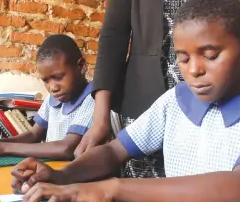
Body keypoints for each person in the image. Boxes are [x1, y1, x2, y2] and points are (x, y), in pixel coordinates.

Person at [11, 0, 240, 202]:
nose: (194, 70)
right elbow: (113, 152)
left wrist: (113, 189)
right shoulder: (174, 100)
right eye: (183, 58)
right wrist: (61, 176)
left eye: (211, 55)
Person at [75, 0, 189, 178]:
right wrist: (100, 120)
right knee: (140, 191)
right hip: (143, 102)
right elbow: (114, 35)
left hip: (205, 99)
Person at [0, 34, 95, 160]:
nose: (53, 87)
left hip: (76, 177)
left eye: (59, 77)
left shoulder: (93, 98)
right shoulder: (53, 98)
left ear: (81, 67)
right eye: (46, 81)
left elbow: (68, 148)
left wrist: (2, 147)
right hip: (50, 169)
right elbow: (33, 135)